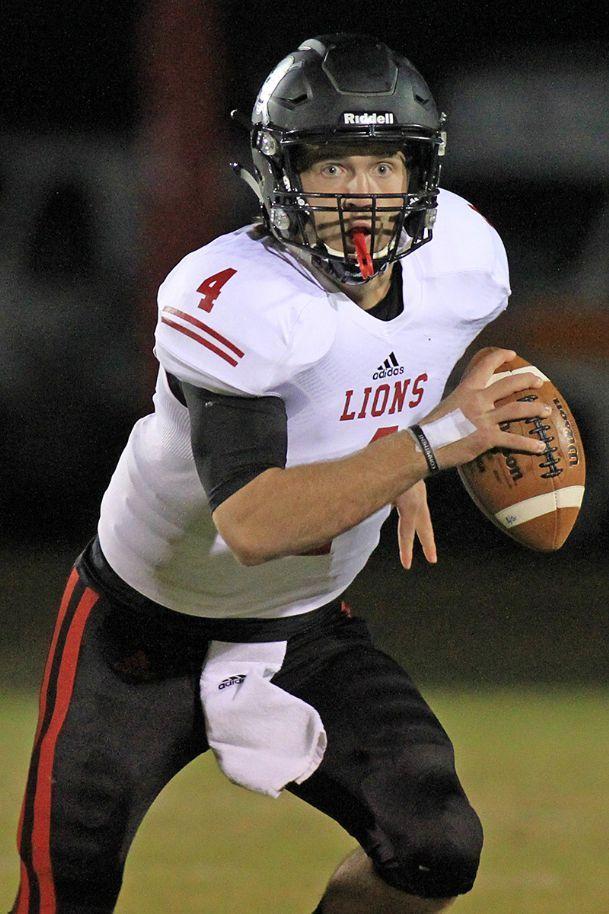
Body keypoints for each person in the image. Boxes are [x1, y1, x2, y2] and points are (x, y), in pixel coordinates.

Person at [11, 33, 550, 914]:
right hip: (137, 631)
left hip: (302, 634)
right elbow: (253, 524)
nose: (363, 196)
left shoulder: (461, 258)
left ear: (421, 171)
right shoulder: (236, 294)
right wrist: (420, 447)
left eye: (384, 167)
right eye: (333, 167)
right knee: (63, 891)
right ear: (279, 174)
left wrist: (405, 434)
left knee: (435, 849)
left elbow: (399, 355)